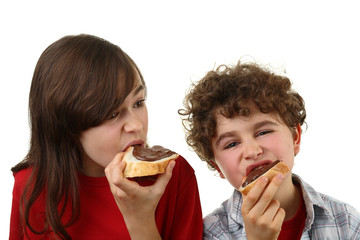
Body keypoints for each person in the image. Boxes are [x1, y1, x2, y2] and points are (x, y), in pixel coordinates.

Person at [9, 34, 203, 240]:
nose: (136, 125)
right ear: (67, 125)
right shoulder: (32, 184)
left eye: (138, 102)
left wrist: (140, 220)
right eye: (112, 114)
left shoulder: (173, 174)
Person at [179, 61, 360, 239]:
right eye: (232, 144)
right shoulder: (211, 234)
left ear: (295, 137)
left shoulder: (346, 221)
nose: (252, 151)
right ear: (217, 167)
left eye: (263, 132)